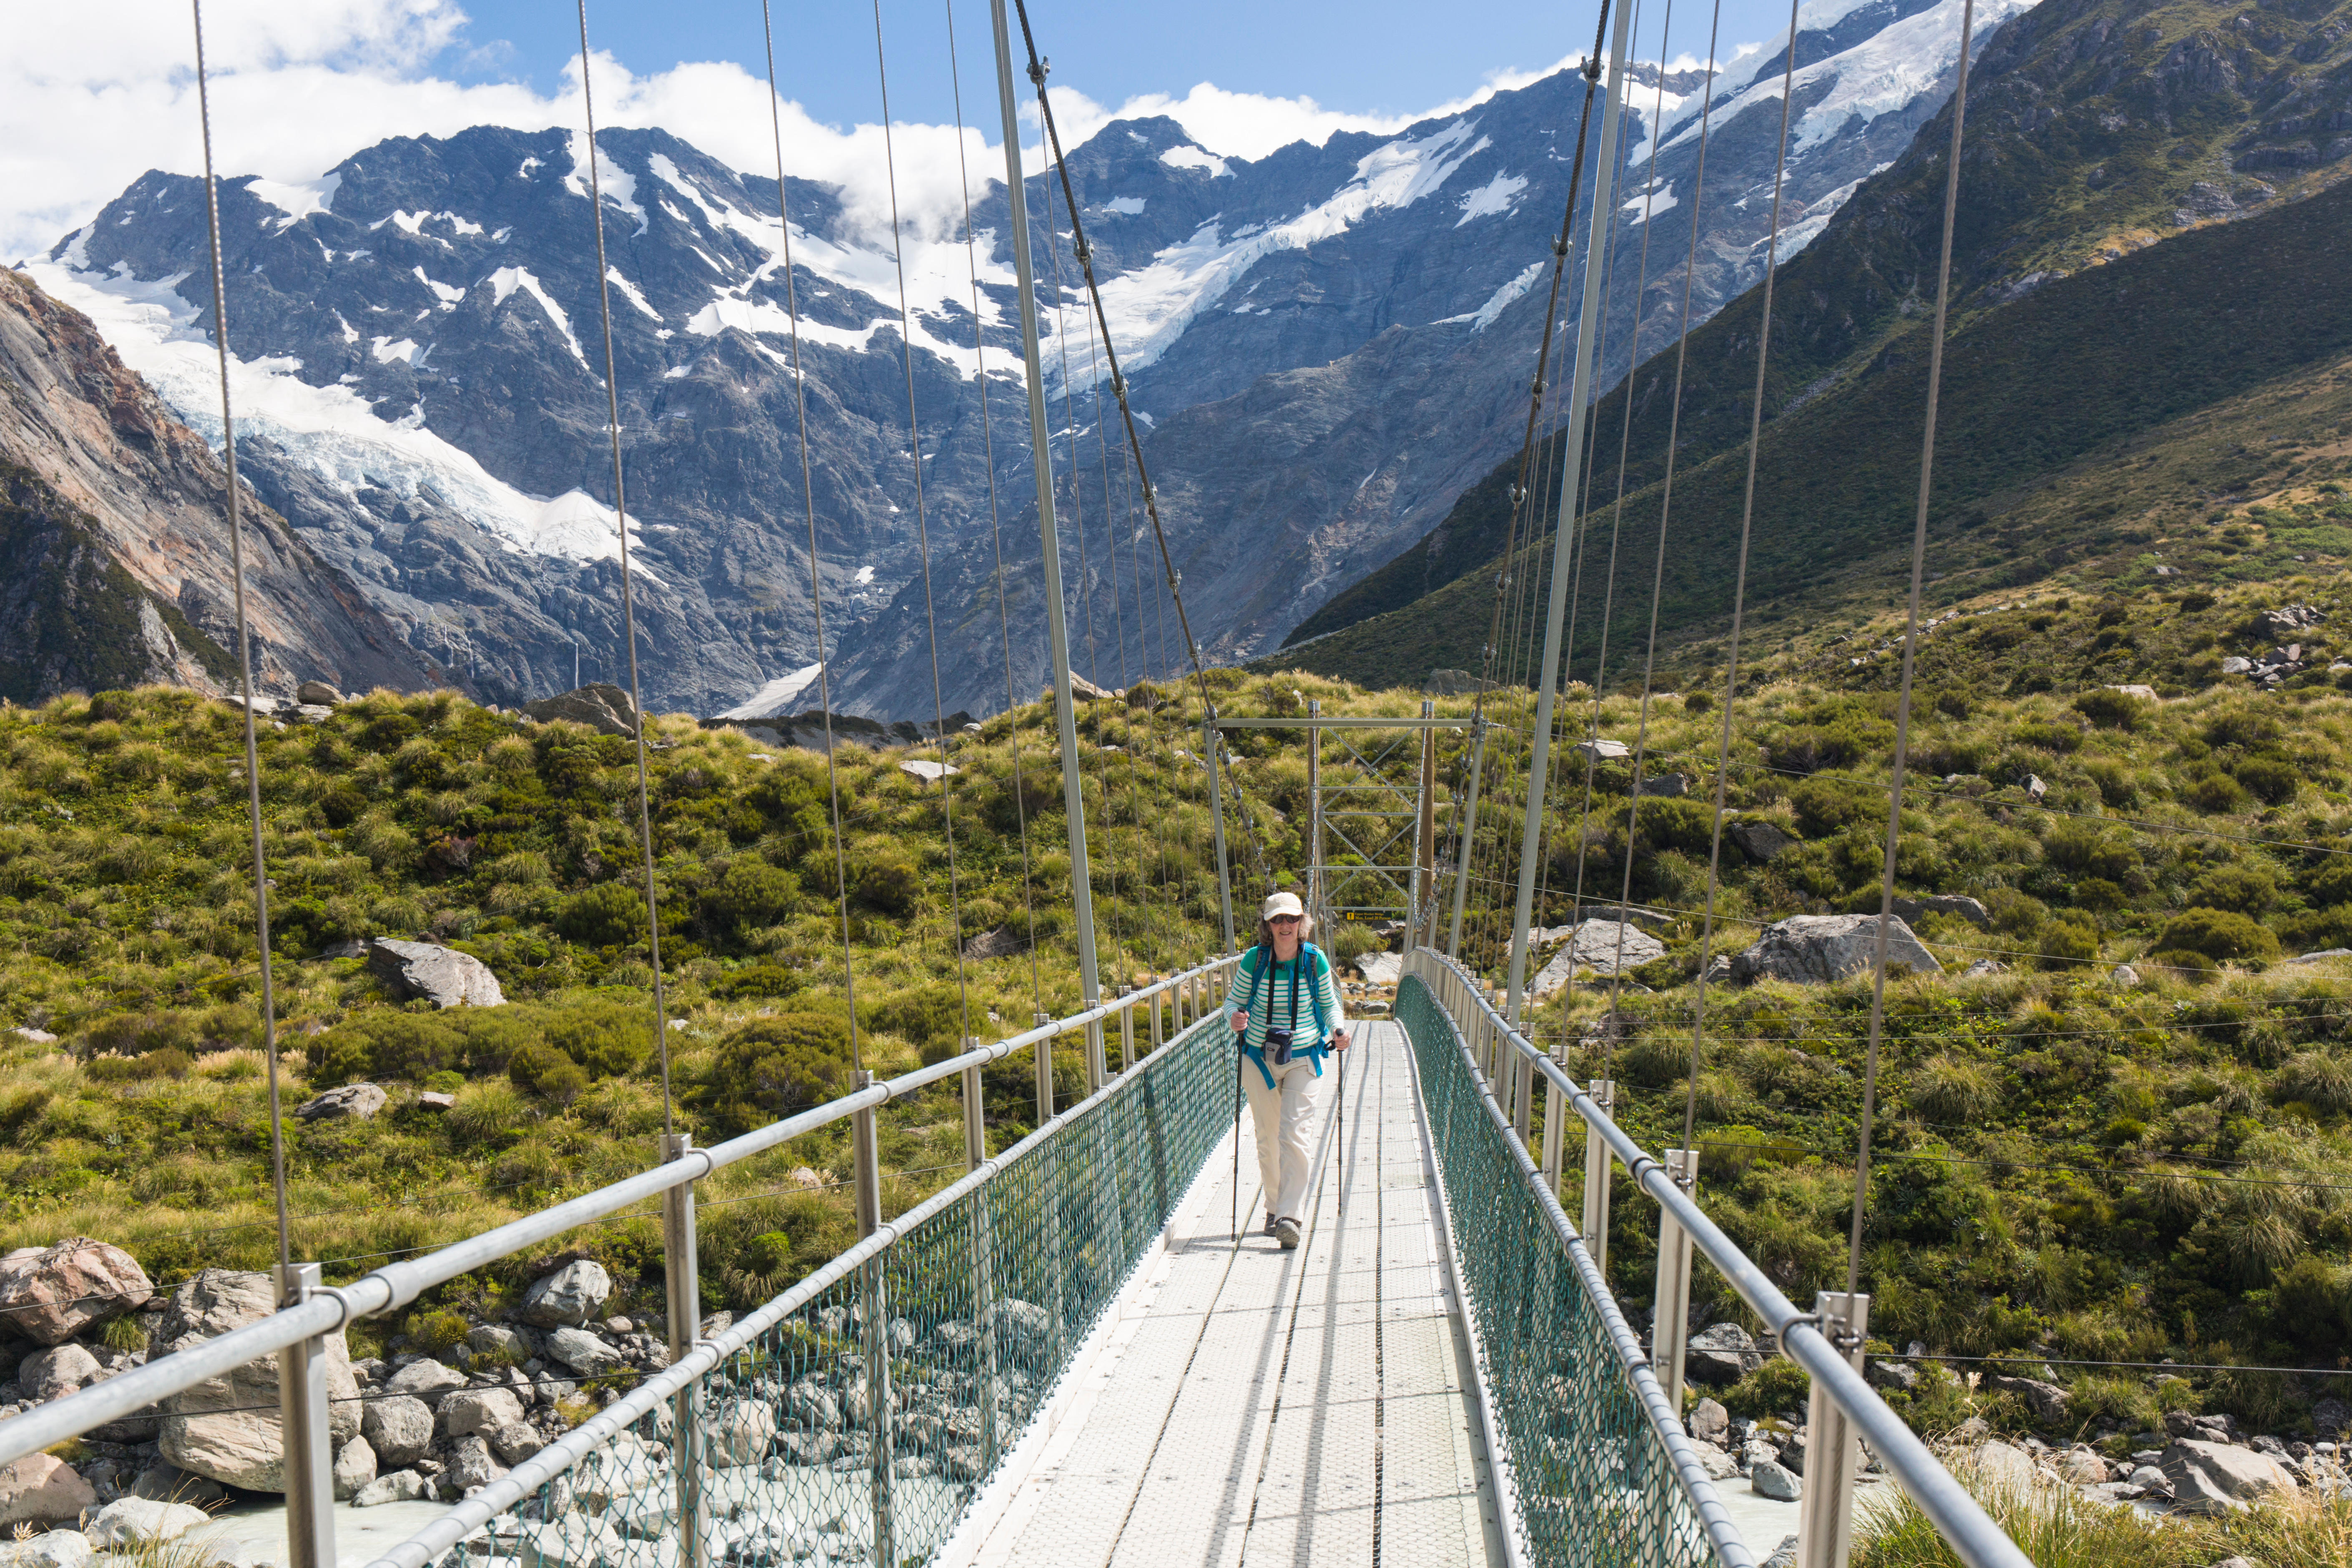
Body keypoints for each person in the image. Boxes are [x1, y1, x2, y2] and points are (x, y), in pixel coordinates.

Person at [1223, 890, 1349, 1249]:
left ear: (1302, 923)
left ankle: (1290, 1217)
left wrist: (1338, 1030)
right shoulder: (1255, 960)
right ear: (1267, 924)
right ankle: (1274, 1206)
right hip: (1258, 1057)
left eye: (1292, 919)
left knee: (1295, 1134)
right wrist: (1233, 1018)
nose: (1285, 926)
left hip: (1304, 1054)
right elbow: (1233, 1001)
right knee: (1267, 1137)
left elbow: (1329, 1005)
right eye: (1277, 919)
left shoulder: (1314, 961)